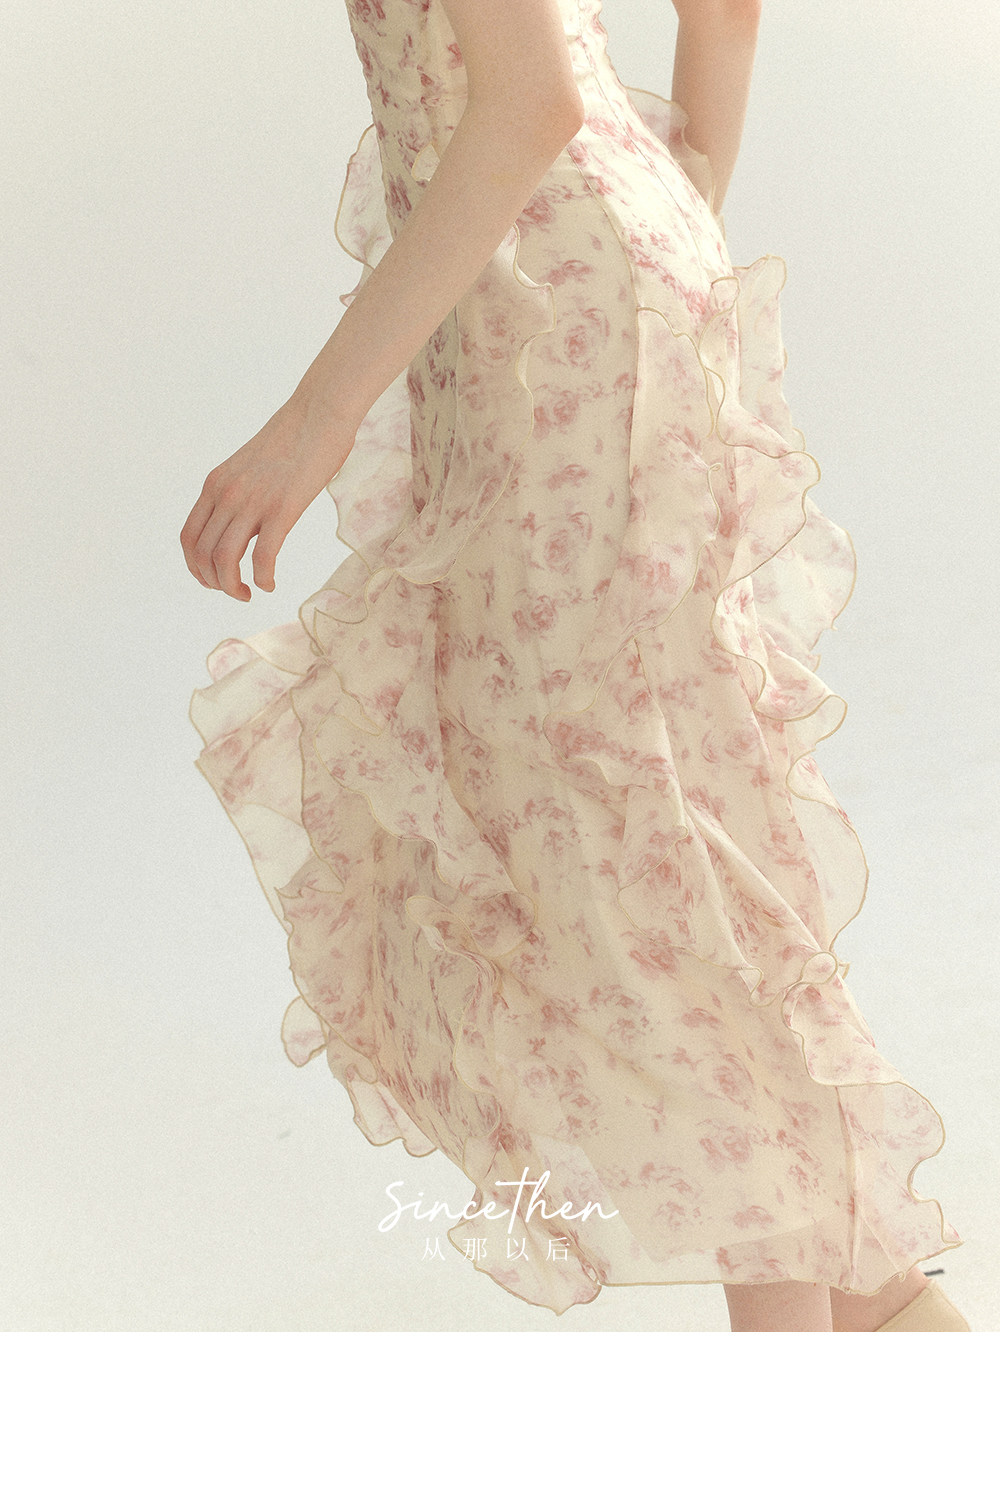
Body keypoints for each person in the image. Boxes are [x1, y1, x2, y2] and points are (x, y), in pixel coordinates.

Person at [181, 0, 968, 1332]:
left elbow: (529, 104)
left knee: (624, 847)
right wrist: (668, 212)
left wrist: (314, 422)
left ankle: (834, 1346)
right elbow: (719, 16)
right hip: (575, 302)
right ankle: (882, 1313)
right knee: (633, 839)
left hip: (558, 327)